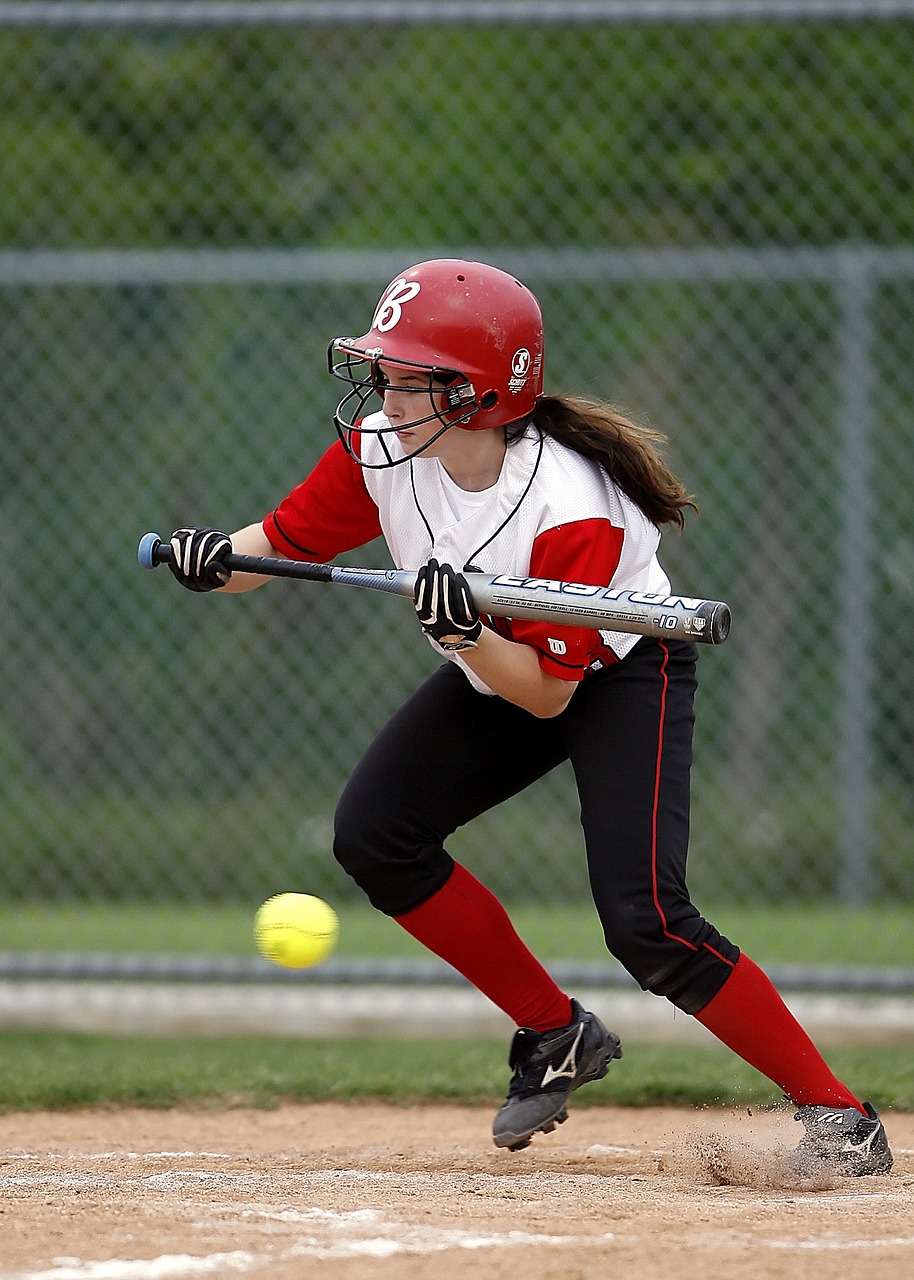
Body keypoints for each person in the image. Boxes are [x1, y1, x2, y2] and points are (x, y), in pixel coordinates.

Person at [165, 259, 892, 1175]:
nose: (382, 392)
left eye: (406, 374)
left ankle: (842, 1120)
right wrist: (212, 557)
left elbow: (549, 693)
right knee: (376, 833)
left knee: (647, 921)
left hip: (620, 672)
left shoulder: (571, 505)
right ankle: (557, 1033)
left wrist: (463, 635)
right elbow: (274, 547)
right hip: (500, 655)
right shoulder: (383, 452)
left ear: (475, 394)